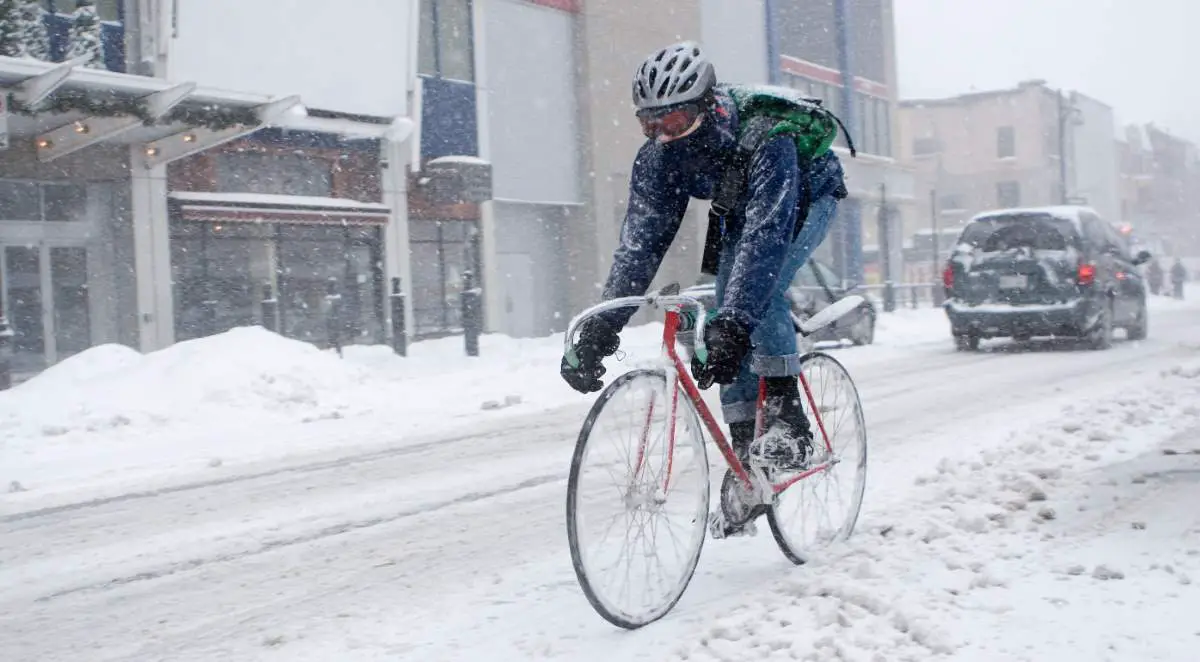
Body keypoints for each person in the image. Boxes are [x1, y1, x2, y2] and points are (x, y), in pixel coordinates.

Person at [560, 42, 848, 479]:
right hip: (739, 202)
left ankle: (789, 420)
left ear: (707, 108)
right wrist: (603, 328)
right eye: (649, 123)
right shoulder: (659, 159)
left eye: (673, 121)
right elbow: (639, 248)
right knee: (719, 314)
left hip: (806, 195)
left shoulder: (768, 138)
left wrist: (736, 324)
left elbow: (766, 239)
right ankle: (747, 455)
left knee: (754, 295)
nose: (662, 136)